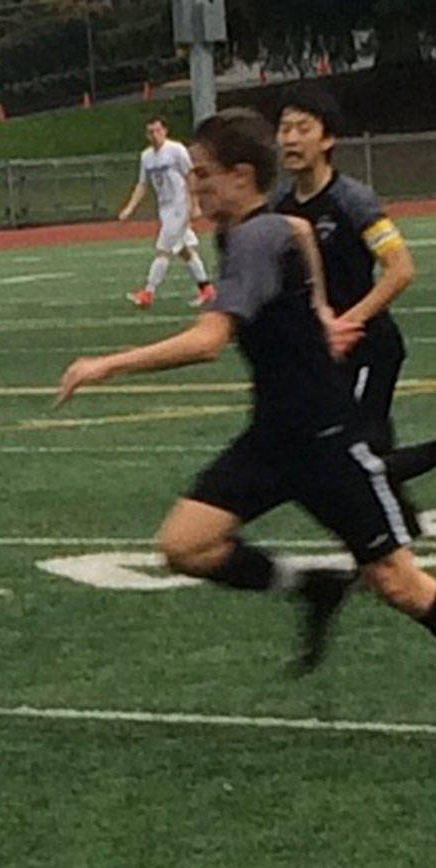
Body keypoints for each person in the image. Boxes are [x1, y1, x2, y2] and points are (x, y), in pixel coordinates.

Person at [58, 108, 436, 672]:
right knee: (185, 545)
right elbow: (302, 233)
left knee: (400, 584)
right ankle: (313, 585)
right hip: (274, 436)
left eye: (204, 174)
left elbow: (209, 340)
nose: (195, 186)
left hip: (327, 439)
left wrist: (107, 365)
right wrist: (321, 314)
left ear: (240, 175)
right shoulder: (269, 226)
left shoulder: (255, 238)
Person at [273, 85, 436, 500]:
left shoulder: (352, 200)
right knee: (359, 456)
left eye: (302, 128)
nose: (290, 138)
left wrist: (348, 322)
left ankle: (382, 554)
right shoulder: (280, 206)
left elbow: (400, 269)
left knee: (356, 461)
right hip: (324, 354)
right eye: (284, 128)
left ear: (327, 139)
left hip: (368, 348)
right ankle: (395, 541)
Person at [119, 116, 216, 309]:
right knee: (184, 250)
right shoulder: (146, 156)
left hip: (180, 206)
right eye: (151, 132)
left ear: (165, 130)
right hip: (165, 209)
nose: (155, 135)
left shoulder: (176, 150)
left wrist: (194, 204)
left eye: (158, 130)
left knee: (162, 250)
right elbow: (143, 184)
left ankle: (148, 292)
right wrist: (129, 207)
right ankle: (206, 289)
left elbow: (190, 175)